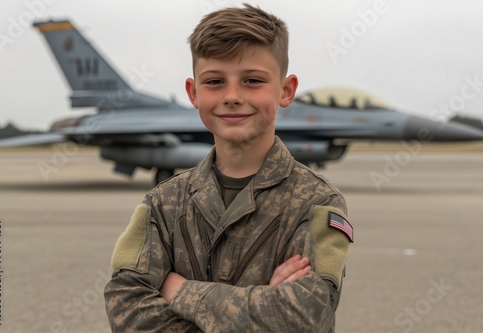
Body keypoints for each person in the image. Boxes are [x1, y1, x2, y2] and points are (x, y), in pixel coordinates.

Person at [104, 3, 353, 332]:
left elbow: (305, 316)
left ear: (286, 90)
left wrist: (179, 290)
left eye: (252, 80)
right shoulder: (162, 204)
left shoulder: (316, 203)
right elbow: (126, 310)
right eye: (215, 82)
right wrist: (262, 303)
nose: (233, 96)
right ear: (193, 93)